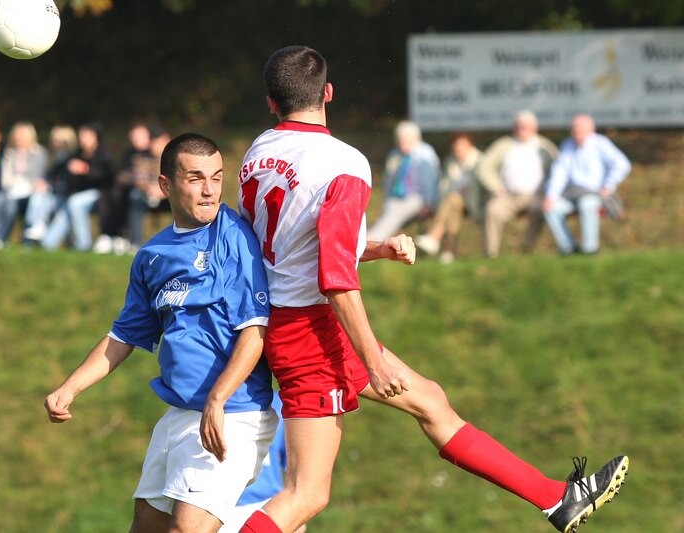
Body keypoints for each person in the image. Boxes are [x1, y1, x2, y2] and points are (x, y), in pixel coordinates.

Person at [235, 45, 628, 533]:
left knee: (430, 400)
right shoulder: (343, 163)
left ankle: (556, 499)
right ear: (328, 93)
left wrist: (376, 248)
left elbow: (289, 245)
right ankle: (556, 500)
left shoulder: (259, 152)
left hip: (284, 317)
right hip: (309, 330)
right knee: (306, 495)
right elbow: (333, 276)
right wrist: (374, 362)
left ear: (271, 102)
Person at [45, 133, 277, 533]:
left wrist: (218, 399)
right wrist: (70, 388)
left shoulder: (234, 238)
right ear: (165, 184)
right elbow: (123, 336)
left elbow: (256, 330)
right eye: (195, 178)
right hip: (180, 414)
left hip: (232, 414)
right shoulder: (152, 255)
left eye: (216, 177)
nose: (209, 191)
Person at [542, 114, 631, 256]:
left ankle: (590, 250)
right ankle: (569, 248)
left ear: (591, 130)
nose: (576, 132)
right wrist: (551, 196)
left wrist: (608, 185)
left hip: (593, 193)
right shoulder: (567, 145)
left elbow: (622, 164)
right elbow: (559, 174)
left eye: (580, 129)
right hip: (571, 193)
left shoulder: (600, 144)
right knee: (551, 209)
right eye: (574, 129)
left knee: (586, 204)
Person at [219, 393, 306, 533]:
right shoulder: (211, 399)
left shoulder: (280, 404)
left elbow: (297, 475)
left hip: (266, 504)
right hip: (220, 507)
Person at [477, 110, 558, 258]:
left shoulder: (545, 147)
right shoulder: (504, 145)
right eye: (518, 126)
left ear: (534, 128)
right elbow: (484, 167)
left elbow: (559, 170)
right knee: (492, 209)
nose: (521, 130)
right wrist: (496, 187)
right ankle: (491, 252)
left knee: (541, 210)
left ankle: (527, 249)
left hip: (536, 195)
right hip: (508, 195)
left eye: (525, 127)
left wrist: (549, 191)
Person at [94, 121, 171, 255]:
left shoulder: (175, 156)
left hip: (170, 195)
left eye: (157, 141)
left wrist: (164, 191)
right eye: (152, 141)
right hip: (147, 194)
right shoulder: (141, 156)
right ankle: (135, 243)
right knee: (134, 196)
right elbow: (139, 178)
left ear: (166, 139)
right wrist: (150, 188)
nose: (154, 145)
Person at [42, 122, 113, 251]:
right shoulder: (76, 154)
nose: (83, 139)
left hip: (100, 195)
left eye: (87, 135)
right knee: (67, 208)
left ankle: (83, 245)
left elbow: (108, 177)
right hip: (76, 195)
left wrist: (85, 170)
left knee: (75, 203)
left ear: (96, 137)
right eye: (81, 135)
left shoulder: (104, 154)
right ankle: (47, 244)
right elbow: (61, 175)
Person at [416, 132, 484, 263]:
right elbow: (444, 187)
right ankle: (448, 251)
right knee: (453, 207)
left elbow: (478, 189)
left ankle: (434, 236)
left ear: (470, 146)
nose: (459, 149)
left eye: (462, 146)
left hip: (473, 202)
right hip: (453, 202)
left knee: (452, 199)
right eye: (456, 146)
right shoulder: (450, 162)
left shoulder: (479, 161)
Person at [0, 121, 48, 249]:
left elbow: (37, 177)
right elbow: (6, 179)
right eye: (17, 137)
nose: (19, 140)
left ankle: (2, 237)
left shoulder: (39, 153)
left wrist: (23, 184)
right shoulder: (9, 153)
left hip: (29, 193)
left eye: (22, 137)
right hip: (11, 190)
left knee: (10, 204)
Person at [367, 120, 440, 241]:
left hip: (418, 197)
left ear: (416, 139)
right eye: (400, 140)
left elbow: (430, 183)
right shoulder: (395, 155)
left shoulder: (425, 154)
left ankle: (372, 239)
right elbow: (389, 181)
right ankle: (373, 239)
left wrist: (429, 204)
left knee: (397, 209)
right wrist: (386, 199)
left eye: (406, 140)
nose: (402, 143)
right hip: (397, 197)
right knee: (392, 207)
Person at [23, 124, 78, 242]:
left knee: (49, 242)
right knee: (37, 195)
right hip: (52, 197)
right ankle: (36, 225)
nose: (57, 144)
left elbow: (67, 184)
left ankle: (38, 226)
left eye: (60, 141)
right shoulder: (53, 158)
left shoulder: (72, 159)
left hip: (66, 199)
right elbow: (50, 178)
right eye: (55, 141)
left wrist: (49, 186)